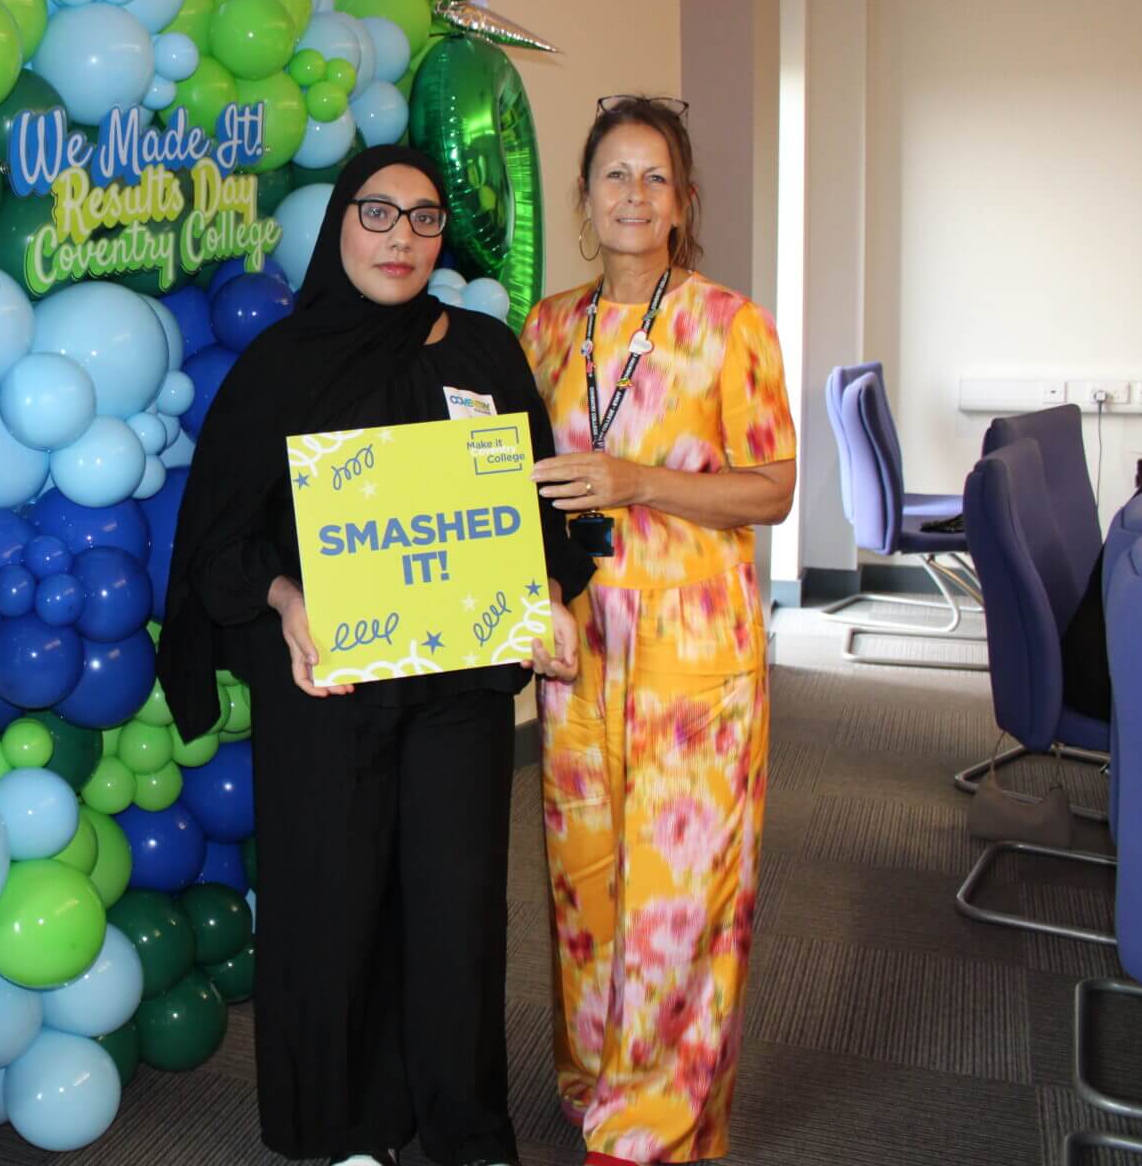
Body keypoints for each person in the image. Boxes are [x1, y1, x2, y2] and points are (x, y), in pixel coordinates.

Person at [159, 145, 597, 1166]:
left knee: (458, 906)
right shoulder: (281, 365)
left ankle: (465, 1128)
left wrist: (547, 593)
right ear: (339, 226)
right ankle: (347, 1130)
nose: (402, 238)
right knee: (332, 902)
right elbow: (220, 541)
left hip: (458, 686)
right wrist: (285, 596)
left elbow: (528, 505)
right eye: (378, 213)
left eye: (424, 217)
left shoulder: (485, 350)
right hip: (332, 685)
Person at [518, 96, 797, 1165]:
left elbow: (772, 489)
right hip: (577, 644)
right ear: (585, 199)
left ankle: (657, 1126)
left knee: (679, 896)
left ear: (683, 203)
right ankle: (597, 1081)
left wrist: (642, 482)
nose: (633, 195)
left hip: (693, 646)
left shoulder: (732, 324)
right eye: (614, 175)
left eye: (655, 177)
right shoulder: (548, 328)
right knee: (585, 882)